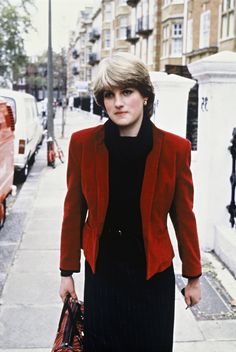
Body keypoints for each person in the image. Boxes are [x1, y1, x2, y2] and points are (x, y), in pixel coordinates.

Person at [59, 52, 202, 352]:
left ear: (145, 96)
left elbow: (184, 217)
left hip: (152, 277)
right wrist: (67, 273)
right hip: (103, 276)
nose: (118, 102)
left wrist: (193, 277)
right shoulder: (84, 144)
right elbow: (74, 211)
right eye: (109, 95)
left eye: (127, 91)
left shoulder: (175, 149)